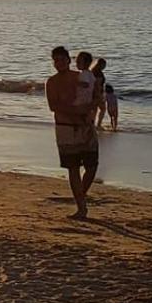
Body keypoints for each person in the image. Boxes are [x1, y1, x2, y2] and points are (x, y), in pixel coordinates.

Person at [45, 45, 99, 219]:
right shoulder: (52, 82)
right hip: (66, 128)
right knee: (73, 168)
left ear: (69, 60)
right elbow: (54, 106)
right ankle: (81, 207)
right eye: (56, 60)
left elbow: (95, 94)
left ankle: (80, 195)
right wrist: (77, 112)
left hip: (85, 126)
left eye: (62, 59)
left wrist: (90, 111)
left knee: (92, 165)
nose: (59, 63)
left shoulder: (80, 77)